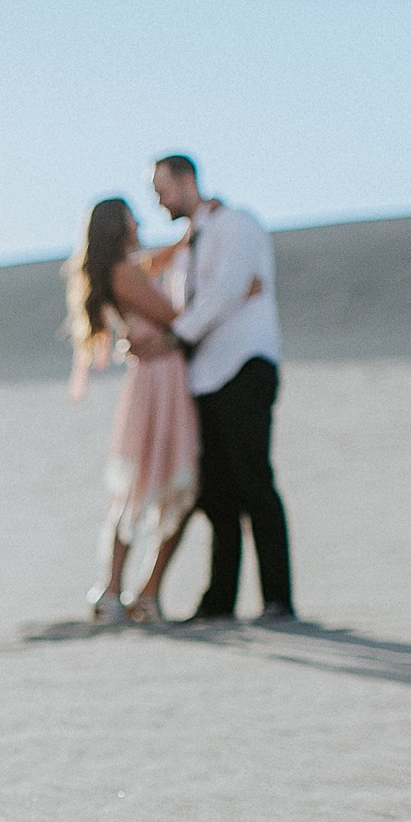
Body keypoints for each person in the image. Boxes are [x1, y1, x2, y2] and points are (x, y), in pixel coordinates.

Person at [64, 196, 247, 624]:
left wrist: (187, 240)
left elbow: (157, 262)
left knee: (152, 484)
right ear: (118, 226)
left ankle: (129, 592)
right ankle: (127, 592)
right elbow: (170, 314)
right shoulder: (124, 271)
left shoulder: (126, 268)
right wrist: (222, 301)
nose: (139, 221)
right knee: (157, 484)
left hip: (158, 376)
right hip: (159, 380)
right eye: (131, 217)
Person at [151, 154, 295, 623]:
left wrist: (179, 333)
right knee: (216, 494)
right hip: (203, 377)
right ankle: (220, 602)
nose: (159, 200)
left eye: (162, 188)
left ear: (187, 180)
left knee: (255, 481)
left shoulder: (237, 225)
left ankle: (278, 600)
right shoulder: (187, 247)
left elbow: (229, 288)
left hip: (243, 367)